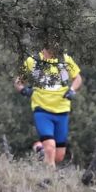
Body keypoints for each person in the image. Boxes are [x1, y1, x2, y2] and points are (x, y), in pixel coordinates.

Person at [15, 41, 82, 170]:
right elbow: (18, 81)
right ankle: (49, 182)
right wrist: (24, 90)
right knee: (50, 148)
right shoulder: (32, 61)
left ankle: (40, 148)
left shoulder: (65, 60)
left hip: (62, 111)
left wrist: (72, 90)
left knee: (59, 156)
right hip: (42, 110)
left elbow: (77, 78)